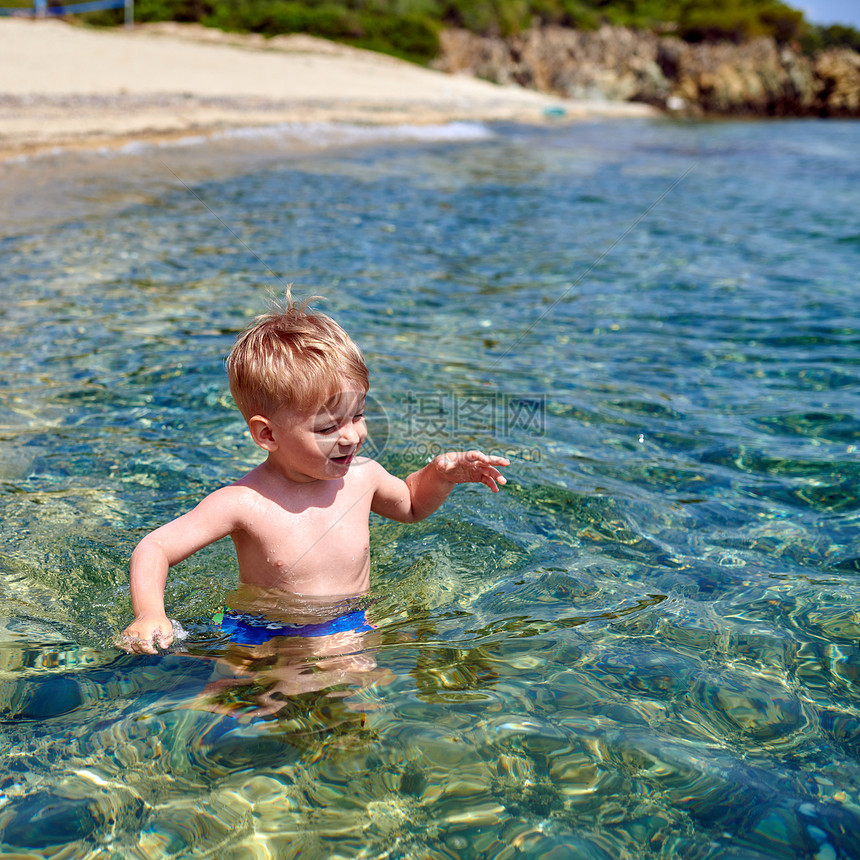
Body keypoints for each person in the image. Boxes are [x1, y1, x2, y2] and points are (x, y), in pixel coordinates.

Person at [120, 292, 508, 655]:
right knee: (226, 709)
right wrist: (149, 613)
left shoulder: (363, 477)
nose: (352, 435)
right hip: (259, 632)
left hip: (351, 624)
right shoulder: (242, 503)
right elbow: (154, 548)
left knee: (357, 708)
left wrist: (439, 474)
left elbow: (409, 505)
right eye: (327, 428)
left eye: (357, 415)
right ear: (267, 434)